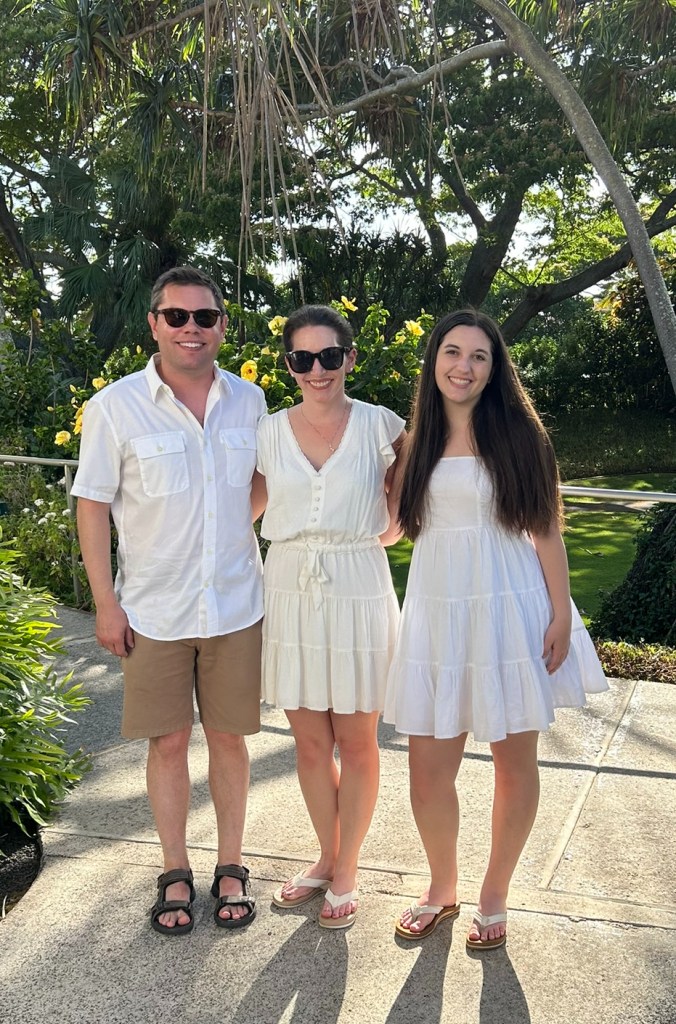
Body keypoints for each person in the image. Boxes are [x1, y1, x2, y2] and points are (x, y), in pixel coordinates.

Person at [383, 309, 607, 950]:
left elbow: (545, 528)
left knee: (514, 765)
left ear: (494, 367)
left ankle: (495, 894)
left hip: (511, 609)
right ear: (434, 361)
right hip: (437, 611)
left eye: (479, 356)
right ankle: (441, 887)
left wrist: (561, 611)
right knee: (427, 772)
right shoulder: (410, 444)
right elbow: (388, 529)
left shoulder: (520, 435)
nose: (463, 366)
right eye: (452, 352)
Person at [73, 266, 266, 936]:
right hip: (152, 609)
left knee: (230, 740)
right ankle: (176, 869)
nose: (191, 329)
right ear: (153, 323)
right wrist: (106, 603)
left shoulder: (251, 401)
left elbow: (261, 484)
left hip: (237, 606)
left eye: (204, 317)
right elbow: (92, 507)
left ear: (221, 325)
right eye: (177, 316)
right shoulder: (115, 407)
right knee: (168, 741)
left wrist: (239, 526)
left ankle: (233, 864)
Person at [254, 304, 405, 929]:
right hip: (289, 587)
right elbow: (242, 509)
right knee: (311, 743)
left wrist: (394, 523)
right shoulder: (266, 431)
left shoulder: (381, 425)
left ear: (350, 358)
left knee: (358, 740)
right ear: (289, 365)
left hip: (358, 586)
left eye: (330, 357)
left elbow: (420, 489)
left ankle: (347, 869)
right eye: (303, 358)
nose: (317, 370)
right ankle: (326, 855)